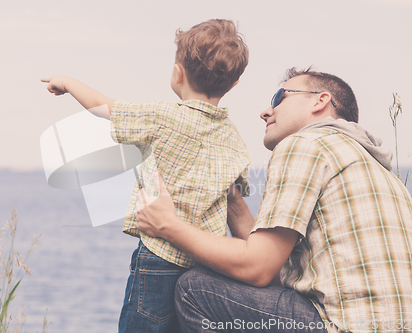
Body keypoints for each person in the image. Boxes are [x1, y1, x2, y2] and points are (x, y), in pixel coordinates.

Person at [136, 67, 412, 332]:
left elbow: (257, 268)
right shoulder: (375, 169)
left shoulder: (305, 144)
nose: (266, 111)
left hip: (340, 327)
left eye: (279, 98)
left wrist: (168, 226)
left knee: (196, 289)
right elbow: (275, 268)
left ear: (320, 101)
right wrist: (232, 199)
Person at [41, 19, 253, 333]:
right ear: (234, 84)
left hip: (157, 258)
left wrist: (68, 82)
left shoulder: (162, 116)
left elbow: (105, 108)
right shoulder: (234, 139)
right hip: (205, 263)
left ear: (177, 72)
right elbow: (235, 197)